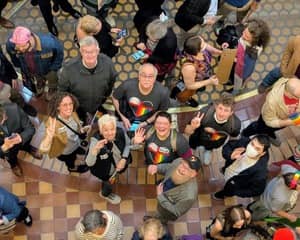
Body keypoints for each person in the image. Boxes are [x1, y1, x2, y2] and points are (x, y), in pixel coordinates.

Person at [58, 36, 117, 123]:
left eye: (92, 51)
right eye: (86, 52)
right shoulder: (69, 69)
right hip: (78, 106)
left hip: (98, 102)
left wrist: (104, 97)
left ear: (98, 51)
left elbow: (111, 82)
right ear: (81, 51)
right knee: (82, 122)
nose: (89, 55)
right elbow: (62, 91)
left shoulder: (108, 64)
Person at [6, 26, 64, 100]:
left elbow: (59, 55)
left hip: (49, 69)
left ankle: (52, 89)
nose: (20, 49)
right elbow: (14, 57)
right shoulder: (11, 45)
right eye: (18, 47)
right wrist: (20, 66)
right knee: (38, 77)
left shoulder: (49, 43)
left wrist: (54, 68)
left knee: (52, 79)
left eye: (23, 46)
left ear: (30, 39)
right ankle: (40, 83)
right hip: (33, 70)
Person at [85, 114, 131, 204]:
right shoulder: (96, 141)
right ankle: (105, 194)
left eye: (112, 129)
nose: (110, 133)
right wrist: (94, 150)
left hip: (119, 165)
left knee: (113, 178)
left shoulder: (120, 132)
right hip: (104, 172)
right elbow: (89, 163)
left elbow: (127, 144)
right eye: (105, 130)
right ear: (101, 131)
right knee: (107, 183)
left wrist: (124, 159)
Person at [216, 18, 270, 94]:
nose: (243, 36)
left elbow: (245, 68)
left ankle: (235, 91)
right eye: (244, 32)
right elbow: (239, 44)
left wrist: (230, 58)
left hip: (241, 72)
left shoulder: (252, 53)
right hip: (237, 64)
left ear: (255, 40)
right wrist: (229, 44)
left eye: (247, 36)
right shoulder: (246, 39)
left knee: (238, 83)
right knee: (233, 77)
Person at [185, 93, 241, 165]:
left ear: (231, 113)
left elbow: (233, 138)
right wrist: (192, 127)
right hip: (197, 139)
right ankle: (196, 150)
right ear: (216, 106)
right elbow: (187, 132)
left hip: (214, 142)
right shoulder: (203, 113)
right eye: (220, 108)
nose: (221, 113)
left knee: (209, 149)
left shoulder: (235, 125)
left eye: (226, 110)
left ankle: (208, 150)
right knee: (195, 149)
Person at [39, 92, 89, 173]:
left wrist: (81, 130)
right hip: (66, 151)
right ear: (58, 107)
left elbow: (75, 126)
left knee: (76, 151)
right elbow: (43, 149)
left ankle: (76, 150)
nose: (69, 107)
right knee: (70, 160)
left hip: (75, 143)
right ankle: (72, 168)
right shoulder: (53, 124)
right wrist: (48, 138)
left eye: (70, 104)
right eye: (64, 105)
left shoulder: (72, 112)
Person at [242, 77, 300, 146]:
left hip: (286, 117)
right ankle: (245, 134)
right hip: (269, 120)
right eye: (298, 96)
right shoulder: (272, 102)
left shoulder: (293, 87)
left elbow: (296, 117)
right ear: (289, 94)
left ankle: (269, 133)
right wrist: (288, 122)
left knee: (271, 129)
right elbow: (269, 121)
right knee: (258, 127)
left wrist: (296, 119)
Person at [112, 63, 170, 131]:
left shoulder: (163, 92)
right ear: (139, 76)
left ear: (155, 78)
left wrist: (146, 122)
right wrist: (122, 117)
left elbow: (161, 110)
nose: (146, 79)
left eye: (150, 76)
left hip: (148, 122)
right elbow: (114, 97)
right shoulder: (127, 85)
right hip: (127, 116)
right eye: (143, 75)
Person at [213, 134, 270, 200]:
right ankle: (224, 171)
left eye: (257, 149)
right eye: (252, 144)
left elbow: (257, 190)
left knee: (227, 191)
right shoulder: (244, 142)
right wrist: (230, 155)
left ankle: (223, 194)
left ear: (262, 153)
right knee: (225, 170)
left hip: (234, 184)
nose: (252, 148)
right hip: (229, 168)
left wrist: (236, 191)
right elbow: (228, 146)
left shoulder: (260, 172)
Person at [148, 156, 201, 224]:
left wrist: (160, 197)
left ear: (193, 174)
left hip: (166, 211)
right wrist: (157, 168)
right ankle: (155, 219)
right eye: (182, 164)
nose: (181, 169)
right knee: (157, 213)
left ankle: (157, 223)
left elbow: (175, 211)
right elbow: (169, 167)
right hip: (163, 193)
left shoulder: (189, 196)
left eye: (187, 169)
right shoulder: (178, 161)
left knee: (160, 219)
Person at [170, 35, 221, 107]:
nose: (205, 45)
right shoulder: (189, 68)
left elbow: (211, 49)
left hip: (201, 76)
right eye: (203, 45)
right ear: (197, 52)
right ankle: (185, 99)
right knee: (183, 92)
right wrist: (209, 81)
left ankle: (198, 87)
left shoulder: (199, 47)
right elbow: (190, 85)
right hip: (189, 82)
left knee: (199, 87)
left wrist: (224, 53)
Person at [135, 18, 178, 83]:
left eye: (152, 39)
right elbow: (142, 30)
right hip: (151, 52)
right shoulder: (152, 22)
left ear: (159, 38)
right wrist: (142, 41)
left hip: (159, 59)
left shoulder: (169, 44)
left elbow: (166, 60)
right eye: (148, 35)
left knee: (157, 76)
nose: (148, 39)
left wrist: (149, 57)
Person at [0, 103, 35, 177]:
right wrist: (4, 148)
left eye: (4, 117)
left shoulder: (14, 109)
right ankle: (14, 165)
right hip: (8, 151)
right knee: (11, 158)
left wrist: (22, 137)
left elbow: (30, 128)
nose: (5, 119)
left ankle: (29, 149)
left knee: (26, 145)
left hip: (23, 140)